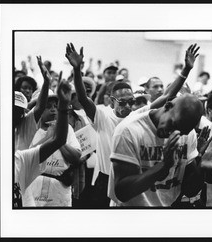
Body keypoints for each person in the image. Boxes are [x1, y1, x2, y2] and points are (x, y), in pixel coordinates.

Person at [66, 42, 201, 207]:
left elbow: (167, 96)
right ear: (111, 101)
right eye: (123, 102)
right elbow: (82, 98)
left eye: (131, 102)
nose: (128, 106)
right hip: (106, 176)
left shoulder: (137, 116)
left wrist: (186, 70)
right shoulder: (102, 116)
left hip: (134, 176)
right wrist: (77, 71)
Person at [108, 93, 212, 207]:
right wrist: (163, 167)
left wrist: (201, 165)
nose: (173, 133)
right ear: (167, 106)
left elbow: (190, 191)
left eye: (182, 132)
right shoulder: (128, 131)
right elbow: (122, 193)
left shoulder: (189, 133)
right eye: (172, 124)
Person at [15, 80, 71, 207]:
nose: (15, 114)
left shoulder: (25, 127)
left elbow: (59, 140)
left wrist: (46, 82)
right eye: (12, 110)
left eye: (19, 110)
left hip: (24, 185)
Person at [27, 82, 81, 207]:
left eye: (56, 106)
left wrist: (58, 139)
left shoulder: (67, 129)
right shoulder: (29, 129)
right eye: (47, 106)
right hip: (32, 188)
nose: (53, 110)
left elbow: (76, 158)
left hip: (59, 190)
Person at [15, 56, 51, 151]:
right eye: (14, 108)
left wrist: (46, 82)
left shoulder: (27, 120)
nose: (27, 91)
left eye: (30, 88)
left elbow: (40, 106)